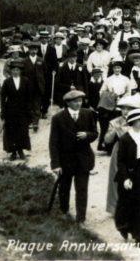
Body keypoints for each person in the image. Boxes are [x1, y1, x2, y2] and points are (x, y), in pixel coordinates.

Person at [49, 90, 98, 224]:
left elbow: (95, 133)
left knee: (82, 189)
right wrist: (55, 164)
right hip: (66, 161)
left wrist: (87, 135)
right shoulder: (58, 118)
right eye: (75, 101)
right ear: (68, 103)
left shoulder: (88, 114)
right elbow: (53, 143)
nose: (78, 103)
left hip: (83, 160)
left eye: (80, 101)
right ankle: (64, 212)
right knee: (64, 188)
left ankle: (80, 218)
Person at [114, 109, 140, 248]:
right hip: (131, 172)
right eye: (139, 120)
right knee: (128, 204)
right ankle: (124, 227)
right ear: (132, 122)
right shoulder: (125, 138)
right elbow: (120, 161)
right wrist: (125, 178)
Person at [106, 95, 140, 215]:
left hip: (136, 152)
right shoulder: (115, 121)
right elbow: (107, 140)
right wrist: (113, 131)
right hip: (120, 152)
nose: (125, 111)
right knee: (118, 179)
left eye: (129, 109)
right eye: (123, 108)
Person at [0, 59, 32, 160]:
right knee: (11, 131)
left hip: (23, 111)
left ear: (20, 71)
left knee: (22, 131)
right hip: (11, 111)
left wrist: (29, 110)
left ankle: (21, 150)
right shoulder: (7, 82)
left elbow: (29, 97)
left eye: (17, 70)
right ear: (11, 71)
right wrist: (3, 111)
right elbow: (3, 98)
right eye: (13, 70)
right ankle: (13, 152)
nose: (15, 72)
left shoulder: (26, 81)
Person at [98, 60, 131, 151]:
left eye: (119, 68)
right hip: (110, 105)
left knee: (121, 125)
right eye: (115, 68)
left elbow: (129, 91)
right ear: (112, 69)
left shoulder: (126, 79)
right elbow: (101, 91)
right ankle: (108, 146)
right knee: (111, 125)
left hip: (121, 103)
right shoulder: (108, 79)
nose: (117, 69)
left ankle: (121, 146)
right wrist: (110, 97)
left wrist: (122, 98)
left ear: (121, 69)